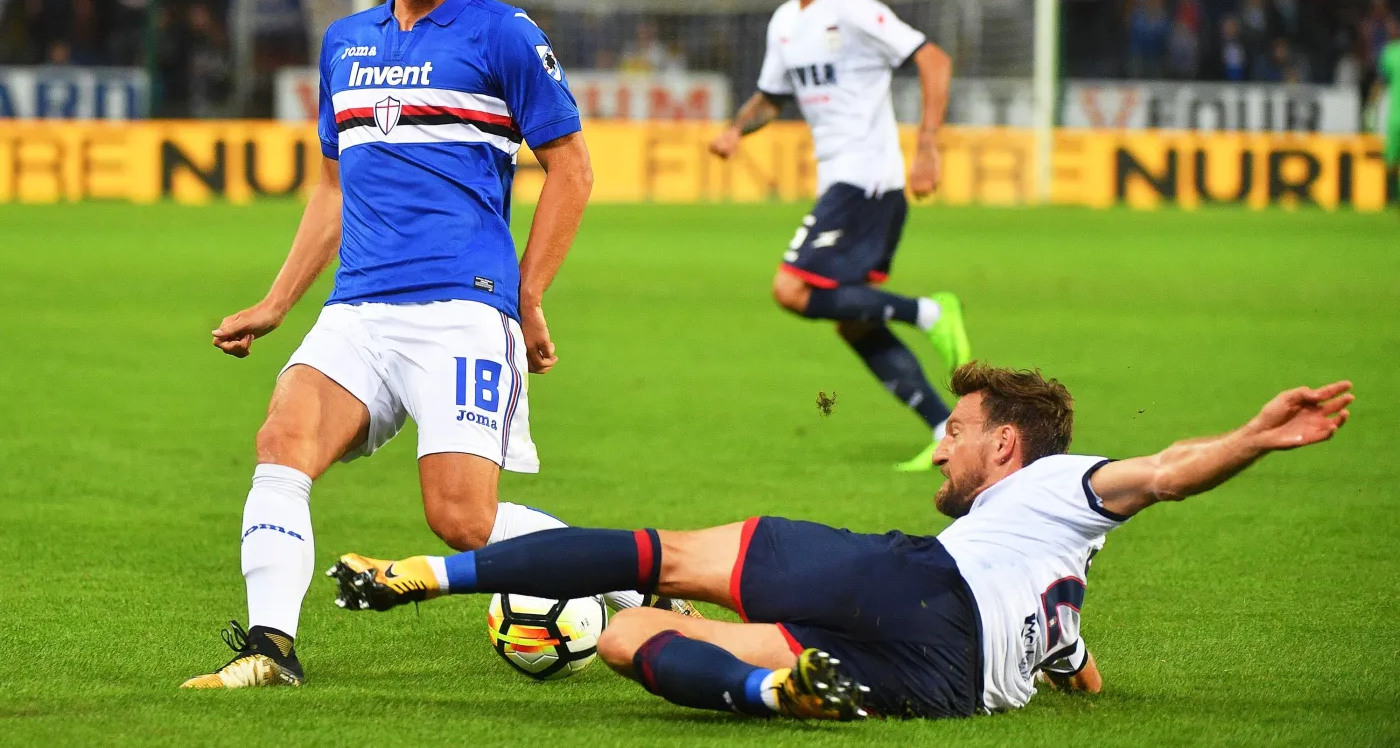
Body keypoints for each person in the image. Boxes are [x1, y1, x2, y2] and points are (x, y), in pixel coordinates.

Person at [182, 0, 686, 691]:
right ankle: (271, 647)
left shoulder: (502, 36)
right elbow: (334, 189)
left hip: (461, 307)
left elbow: (572, 169)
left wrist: (527, 296)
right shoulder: (344, 42)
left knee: (461, 519)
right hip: (358, 310)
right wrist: (276, 302)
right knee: (282, 437)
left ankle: (648, 580)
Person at [327, 362, 1352, 720]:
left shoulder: (1049, 481)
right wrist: (1084, 684)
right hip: (940, 683)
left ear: (1003, 444)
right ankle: (767, 691)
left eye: (952, 431)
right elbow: (1072, 669)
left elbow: (1163, 470)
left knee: (656, 556)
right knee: (626, 636)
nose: (938, 446)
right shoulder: (1058, 574)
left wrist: (1254, 436)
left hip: (915, 585)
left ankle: (424, 573)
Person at [706, 0, 971, 473]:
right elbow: (773, 98)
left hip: (867, 180)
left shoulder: (850, 8)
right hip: (849, 182)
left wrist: (928, 146)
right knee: (853, 321)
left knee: (791, 289)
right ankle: (944, 428)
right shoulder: (785, 22)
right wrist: (736, 130)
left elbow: (934, 61)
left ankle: (928, 311)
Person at [1371, 17, 1400, 201]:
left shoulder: (1389, 52)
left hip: (1395, 116)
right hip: (1395, 114)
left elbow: (1380, 83)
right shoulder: (1389, 52)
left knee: (1391, 159)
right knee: (1391, 158)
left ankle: (1391, 196)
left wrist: (1370, 106)